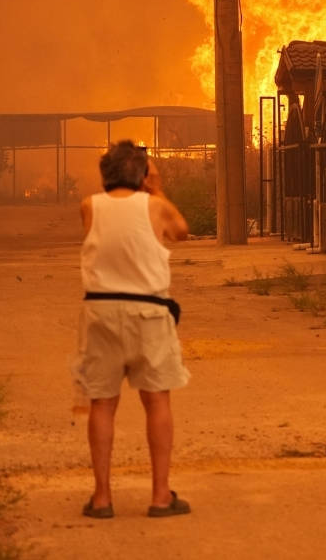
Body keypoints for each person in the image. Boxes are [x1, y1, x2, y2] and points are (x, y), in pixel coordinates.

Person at [74, 140, 192, 518]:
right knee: (156, 401)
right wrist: (156, 187)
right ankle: (160, 496)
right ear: (143, 175)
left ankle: (102, 498)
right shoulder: (155, 205)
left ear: (105, 174)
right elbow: (181, 231)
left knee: (102, 403)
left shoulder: (89, 206)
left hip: (101, 311)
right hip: (148, 312)